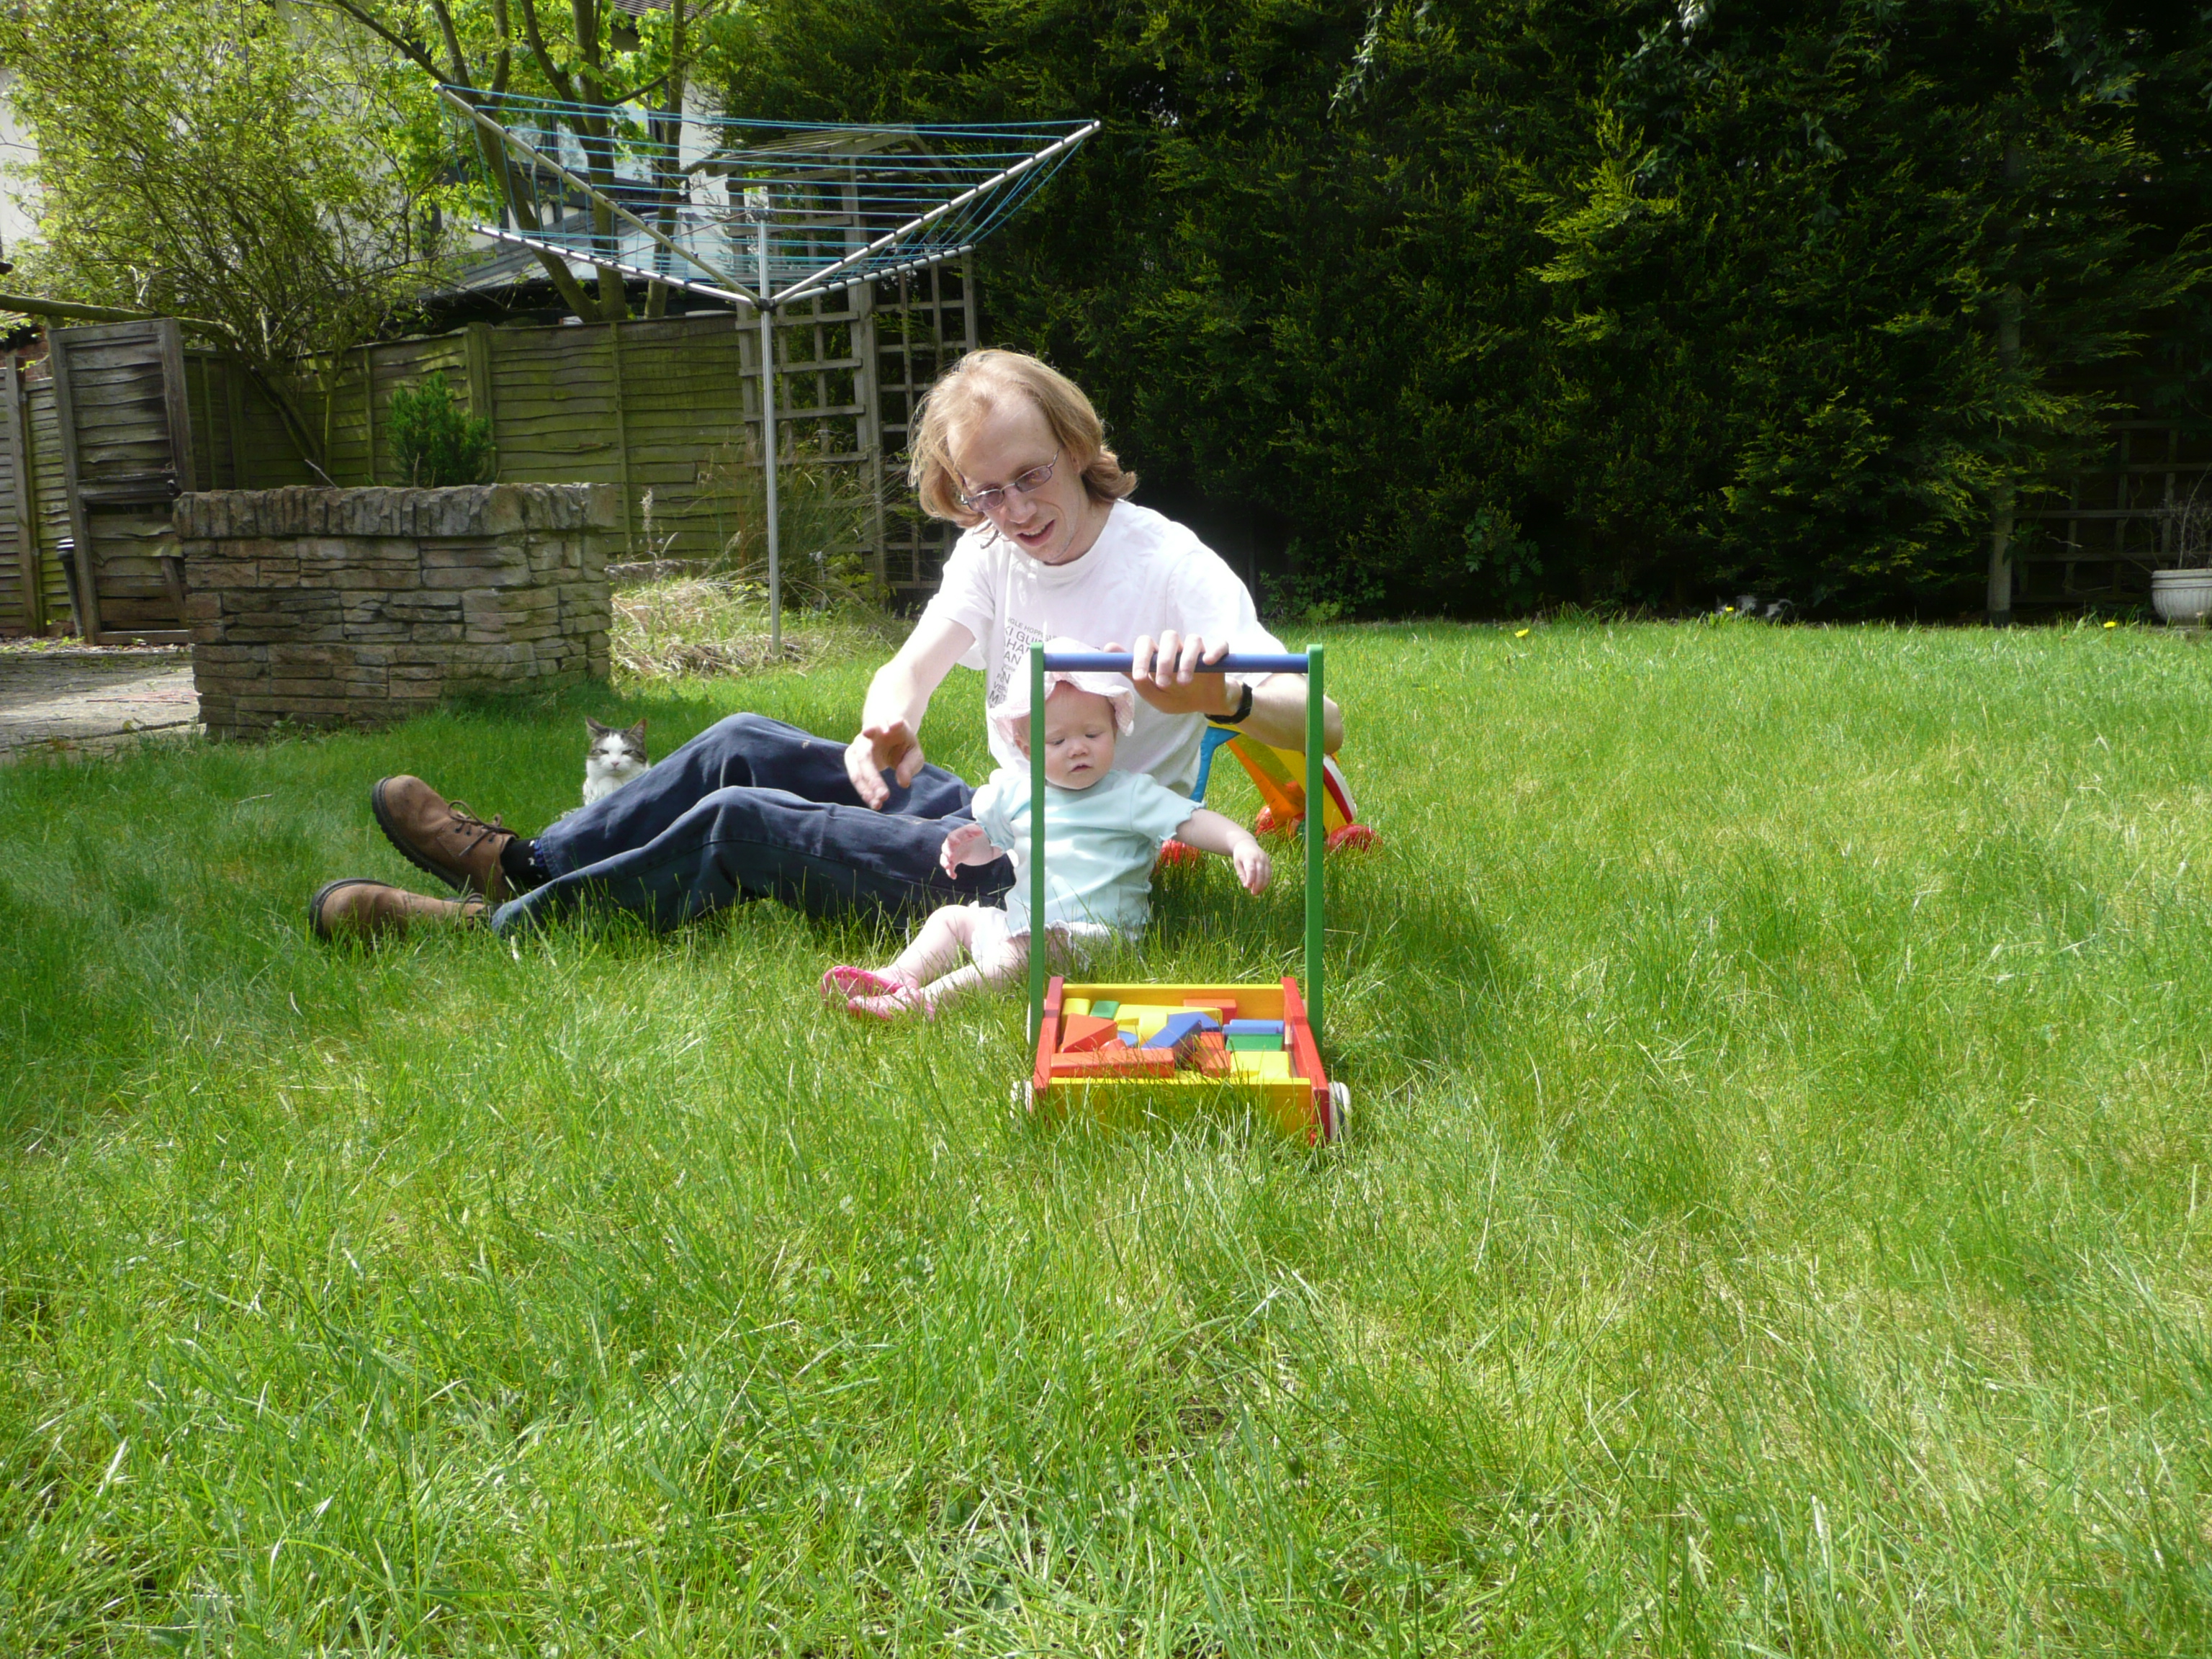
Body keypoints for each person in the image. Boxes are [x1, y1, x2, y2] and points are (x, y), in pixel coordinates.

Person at [308, 349, 1343, 943]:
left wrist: (1222, 697)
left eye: (1029, 477)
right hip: (994, 812)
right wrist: (886, 721)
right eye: (983, 492)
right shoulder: (994, 547)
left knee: (742, 825)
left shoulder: (1166, 565)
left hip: (1057, 873)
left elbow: (1326, 723)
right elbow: (914, 663)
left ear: (1077, 447)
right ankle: (521, 863)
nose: (1014, 512)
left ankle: (501, 928)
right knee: (739, 740)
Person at [822, 649, 1270, 1017]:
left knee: (1029, 950)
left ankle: (925, 1004)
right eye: (1057, 741)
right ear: (1027, 747)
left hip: (1096, 938)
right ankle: (900, 975)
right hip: (1022, 926)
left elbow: (1189, 821)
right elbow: (993, 847)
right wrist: (970, 847)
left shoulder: (1129, 794)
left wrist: (1239, 840)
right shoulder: (1019, 795)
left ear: (1115, 730)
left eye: (1093, 734)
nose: (1077, 748)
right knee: (952, 919)